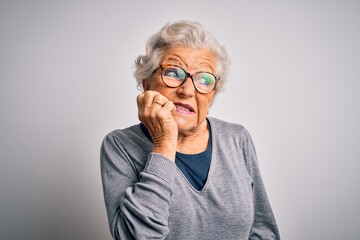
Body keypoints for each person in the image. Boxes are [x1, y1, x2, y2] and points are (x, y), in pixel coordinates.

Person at [100, 20, 280, 240]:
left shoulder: (237, 138)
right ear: (147, 84)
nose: (187, 90)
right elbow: (137, 236)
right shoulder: (119, 145)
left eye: (204, 80)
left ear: (212, 95)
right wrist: (165, 143)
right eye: (174, 73)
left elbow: (264, 231)